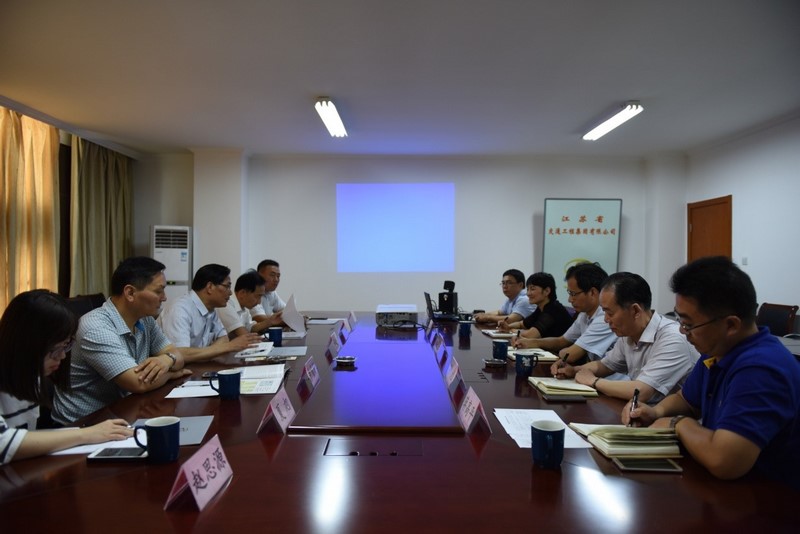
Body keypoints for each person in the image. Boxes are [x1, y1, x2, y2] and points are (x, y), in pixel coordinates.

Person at [624, 257, 800, 488]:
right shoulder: (717, 350)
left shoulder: (762, 368)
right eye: (680, 320)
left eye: (689, 324)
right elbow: (687, 400)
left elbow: (724, 461)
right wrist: (655, 412)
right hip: (725, 490)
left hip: (770, 499)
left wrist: (678, 424)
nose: (682, 331)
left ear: (731, 325)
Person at [53, 257, 192, 425]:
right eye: (158, 291)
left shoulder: (145, 320)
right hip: (82, 423)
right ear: (130, 293)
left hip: (121, 411)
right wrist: (172, 374)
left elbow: (177, 355)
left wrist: (166, 359)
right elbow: (138, 383)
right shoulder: (95, 327)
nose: (164, 298)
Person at [0, 290, 133, 464]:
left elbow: (26, 436)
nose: (62, 356)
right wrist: (86, 434)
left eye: (66, 346)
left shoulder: (32, 375)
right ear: (27, 344)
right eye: (55, 349)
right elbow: (3, 443)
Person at [551, 272, 699, 404]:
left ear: (635, 310)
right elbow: (605, 365)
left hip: (673, 420)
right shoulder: (628, 333)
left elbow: (641, 391)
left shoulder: (672, 338)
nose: (606, 320)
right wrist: (574, 370)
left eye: (610, 313)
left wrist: (593, 381)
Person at [513, 262, 616, 365]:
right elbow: (561, 341)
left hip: (605, 374)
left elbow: (570, 355)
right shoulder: (584, 314)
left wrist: (562, 352)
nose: (569, 300)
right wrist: (530, 342)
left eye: (573, 294)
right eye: (569, 293)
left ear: (592, 292)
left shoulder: (604, 317)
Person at [158, 264, 261, 361]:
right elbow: (178, 354)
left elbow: (224, 338)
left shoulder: (211, 309)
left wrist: (210, 351)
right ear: (210, 287)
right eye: (227, 286)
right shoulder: (180, 309)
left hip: (197, 365)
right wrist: (228, 346)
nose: (230, 292)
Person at [498, 272, 574, 340]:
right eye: (528, 289)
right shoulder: (541, 307)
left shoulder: (554, 309)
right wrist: (508, 326)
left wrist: (511, 330)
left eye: (532, 289)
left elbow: (531, 335)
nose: (528, 293)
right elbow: (522, 324)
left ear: (547, 291)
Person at [217, 270, 275, 338]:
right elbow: (244, 334)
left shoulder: (244, 306)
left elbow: (251, 328)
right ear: (242, 293)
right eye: (257, 296)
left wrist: (271, 321)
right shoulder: (227, 304)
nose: (259, 302)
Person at [250, 259, 286, 327]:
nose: (276, 279)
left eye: (278, 276)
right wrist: (287, 320)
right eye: (272, 275)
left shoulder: (272, 292)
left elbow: (286, 310)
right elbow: (259, 318)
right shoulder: (251, 292)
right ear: (259, 275)